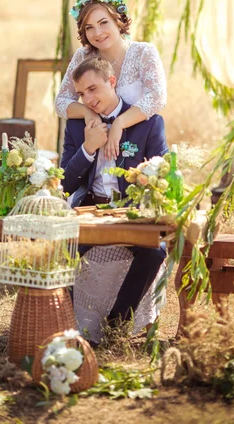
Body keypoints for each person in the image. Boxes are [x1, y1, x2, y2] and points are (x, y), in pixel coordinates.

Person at [60, 57, 168, 334]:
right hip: (89, 211)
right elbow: (67, 183)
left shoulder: (147, 122)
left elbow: (163, 173)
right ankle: (71, 327)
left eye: (93, 89)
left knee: (154, 252)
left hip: (131, 213)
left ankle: (116, 325)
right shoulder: (75, 125)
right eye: (82, 94)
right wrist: (88, 148)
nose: (88, 99)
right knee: (62, 252)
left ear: (112, 82)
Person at [55, 0, 167, 160]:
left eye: (103, 23)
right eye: (89, 27)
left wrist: (119, 124)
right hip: (96, 150)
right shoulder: (82, 56)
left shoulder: (143, 52)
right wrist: (88, 113)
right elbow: (61, 102)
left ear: (118, 21)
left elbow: (157, 97)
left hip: (137, 148)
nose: (97, 33)